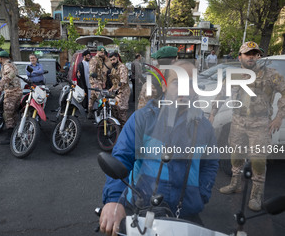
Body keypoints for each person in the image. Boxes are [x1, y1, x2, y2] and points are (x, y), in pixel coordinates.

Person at [99, 60, 219, 235]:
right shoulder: (142, 119)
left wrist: (201, 195)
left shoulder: (204, 126)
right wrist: (114, 201)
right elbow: (121, 158)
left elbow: (210, 163)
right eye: (177, 82)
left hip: (186, 214)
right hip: (141, 208)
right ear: (164, 85)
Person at [209, 41, 285, 211]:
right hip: (237, 122)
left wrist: (279, 116)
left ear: (259, 56)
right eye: (248, 54)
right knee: (236, 156)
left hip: (260, 124)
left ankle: (256, 195)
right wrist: (213, 113)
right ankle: (235, 184)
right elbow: (221, 95)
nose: (251, 57)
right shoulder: (233, 76)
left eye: (255, 54)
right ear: (240, 57)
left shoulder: (271, 75)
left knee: (258, 160)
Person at [0, 51, 22, 145]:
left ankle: (10, 137)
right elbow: (11, 79)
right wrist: (1, 88)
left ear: (1, 58)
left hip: (11, 93)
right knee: (14, 113)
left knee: (8, 114)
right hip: (17, 91)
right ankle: (17, 132)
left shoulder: (6, 65)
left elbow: (10, 75)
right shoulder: (12, 64)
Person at [108, 52, 131, 127]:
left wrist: (117, 89)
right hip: (116, 92)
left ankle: (124, 128)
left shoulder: (122, 67)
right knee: (114, 109)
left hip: (123, 91)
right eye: (111, 60)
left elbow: (122, 82)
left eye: (114, 59)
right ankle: (117, 128)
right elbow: (115, 82)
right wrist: (111, 89)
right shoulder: (114, 69)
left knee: (121, 111)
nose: (112, 62)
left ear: (117, 58)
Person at [88, 46, 107, 119]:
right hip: (95, 82)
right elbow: (91, 72)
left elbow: (103, 72)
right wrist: (95, 83)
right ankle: (99, 112)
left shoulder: (101, 60)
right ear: (97, 52)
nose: (102, 53)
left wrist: (104, 82)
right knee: (101, 98)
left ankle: (90, 112)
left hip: (100, 81)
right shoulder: (94, 60)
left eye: (103, 52)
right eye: (101, 52)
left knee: (92, 97)